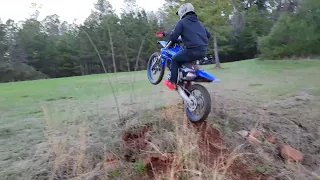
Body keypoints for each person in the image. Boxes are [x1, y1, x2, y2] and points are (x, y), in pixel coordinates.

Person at [160, 3, 211, 90]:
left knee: (175, 59)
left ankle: (172, 82)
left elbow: (173, 37)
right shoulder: (199, 23)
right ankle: (186, 85)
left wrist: (168, 35)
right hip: (203, 51)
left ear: (183, 11)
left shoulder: (182, 22)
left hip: (192, 51)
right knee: (185, 64)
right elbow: (208, 35)